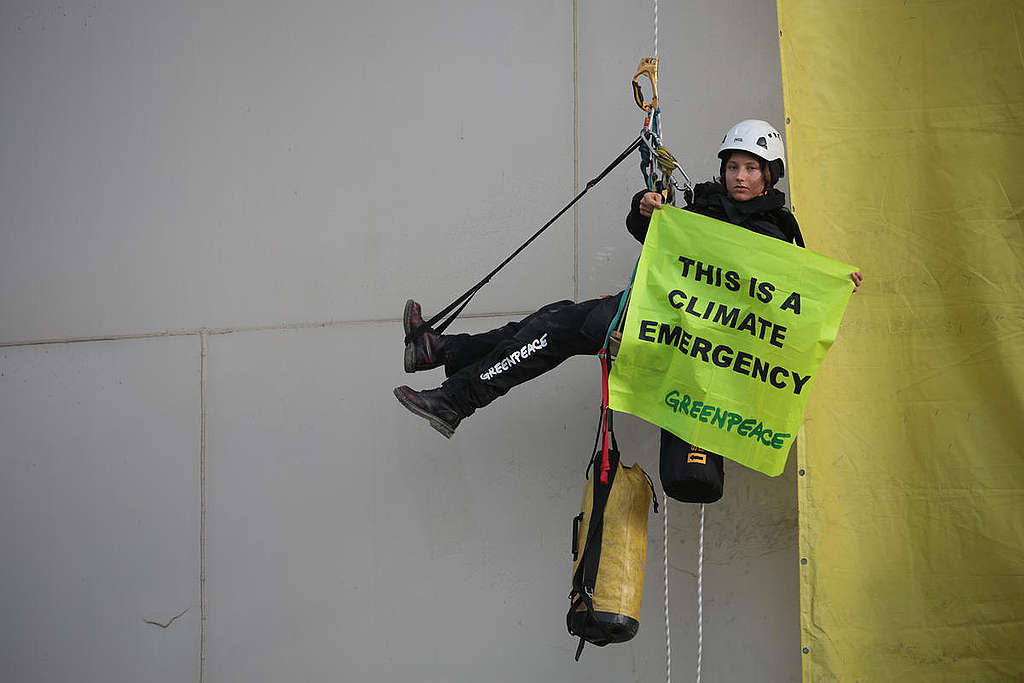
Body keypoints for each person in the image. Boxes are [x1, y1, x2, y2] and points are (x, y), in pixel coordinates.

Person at [394, 119, 862, 438]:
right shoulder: (706, 204)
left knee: (551, 333)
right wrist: (646, 207)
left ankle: (455, 401)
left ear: (769, 176)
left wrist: (833, 285)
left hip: (676, 336)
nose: (740, 176)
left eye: (752, 168)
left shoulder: (773, 232)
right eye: (733, 166)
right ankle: (439, 351)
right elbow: (656, 241)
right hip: (646, 308)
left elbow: (789, 296)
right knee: (549, 319)